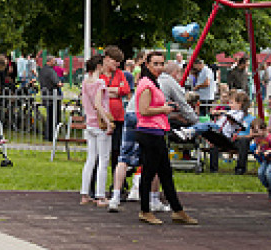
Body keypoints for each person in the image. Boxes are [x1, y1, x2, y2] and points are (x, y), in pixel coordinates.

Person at [134, 51, 197, 226]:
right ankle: (145, 210)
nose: (159, 67)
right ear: (147, 64)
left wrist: (164, 108)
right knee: (149, 173)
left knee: (165, 173)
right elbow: (144, 110)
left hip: (156, 131)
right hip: (149, 132)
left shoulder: (152, 82)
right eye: (155, 63)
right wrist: (164, 109)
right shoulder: (146, 84)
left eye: (161, 64)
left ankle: (177, 210)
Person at [93, 46, 130, 197]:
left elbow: (125, 90)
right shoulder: (99, 75)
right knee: (99, 154)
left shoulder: (120, 74)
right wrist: (114, 90)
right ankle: (93, 186)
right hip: (102, 119)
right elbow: (97, 92)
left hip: (118, 118)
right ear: (106, 59)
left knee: (117, 153)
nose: (118, 65)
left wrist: (109, 90)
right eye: (115, 61)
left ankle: (118, 186)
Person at [79, 55, 113, 207]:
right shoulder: (100, 82)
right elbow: (99, 104)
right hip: (100, 126)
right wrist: (108, 122)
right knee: (103, 160)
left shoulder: (85, 82)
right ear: (99, 66)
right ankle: (100, 195)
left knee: (90, 159)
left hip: (90, 124)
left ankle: (85, 194)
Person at [250, 120, 271, 197]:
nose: (256, 134)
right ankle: (270, 187)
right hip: (266, 160)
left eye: (257, 131)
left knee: (269, 173)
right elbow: (259, 145)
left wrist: (269, 151)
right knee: (260, 173)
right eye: (254, 132)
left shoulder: (270, 138)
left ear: (264, 130)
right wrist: (258, 149)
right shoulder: (258, 138)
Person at [38, 54, 62, 141]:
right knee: (54, 116)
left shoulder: (42, 70)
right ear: (49, 61)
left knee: (49, 116)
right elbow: (57, 82)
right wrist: (60, 83)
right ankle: (52, 135)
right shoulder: (51, 71)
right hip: (53, 95)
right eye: (53, 61)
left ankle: (47, 134)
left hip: (45, 95)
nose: (54, 62)